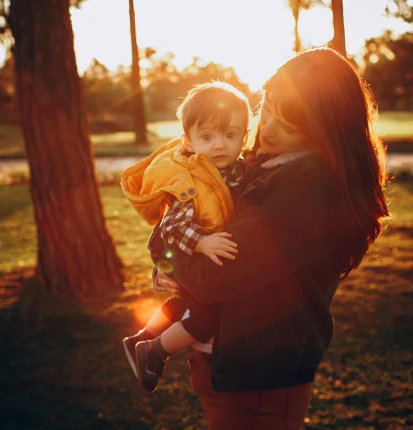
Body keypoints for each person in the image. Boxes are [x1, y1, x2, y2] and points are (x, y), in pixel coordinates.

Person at [150, 47, 389, 429]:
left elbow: (216, 276)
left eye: (288, 123)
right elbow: (174, 229)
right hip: (231, 364)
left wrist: (173, 260)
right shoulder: (262, 167)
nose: (267, 127)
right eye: (269, 107)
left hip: (260, 381)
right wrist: (171, 250)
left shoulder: (307, 188)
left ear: (324, 132)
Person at [120, 81, 251, 393]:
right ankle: (152, 352)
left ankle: (140, 337)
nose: (220, 145)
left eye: (230, 135)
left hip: (188, 254)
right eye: (207, 137)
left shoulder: (236, 169)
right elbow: (173, 227)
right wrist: (202, 242)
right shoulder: (191, 178)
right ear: (188, 142)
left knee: (183, 301)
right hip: (184, 246)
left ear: (244, 138)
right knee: (207, 318)